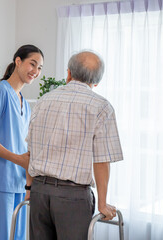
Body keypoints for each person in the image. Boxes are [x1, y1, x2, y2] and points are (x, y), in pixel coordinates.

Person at [25, 50, 123, 240]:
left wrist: (29, 189)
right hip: (72, 197)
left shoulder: (44, 101)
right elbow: (102, 160)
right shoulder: (101, 107)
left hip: (39, 192)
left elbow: (31, 150)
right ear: (96, 82)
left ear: (68, 73)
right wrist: (102, 203)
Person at [0, 44, 44, 240]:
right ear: (18, 61)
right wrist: (19, 160)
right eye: (33, 64)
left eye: (40, 68)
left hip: (18, 184)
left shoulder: (25, 103)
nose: (36, 72)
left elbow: (25, 149)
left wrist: (28, 187)